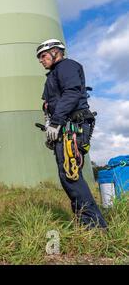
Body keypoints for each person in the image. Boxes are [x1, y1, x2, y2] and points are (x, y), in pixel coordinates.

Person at [37, 39, 107, 229]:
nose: (41, 61)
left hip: (72, 127)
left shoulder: (66, 66)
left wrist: (57, 122)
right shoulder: (52, 75)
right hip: (64, 128)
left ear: (55, 52)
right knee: (67, 175)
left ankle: (94, 226)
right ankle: (83, 221)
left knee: (71, 175)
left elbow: (71, 93)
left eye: (43, 56)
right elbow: (49, 105)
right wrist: (50, 126)